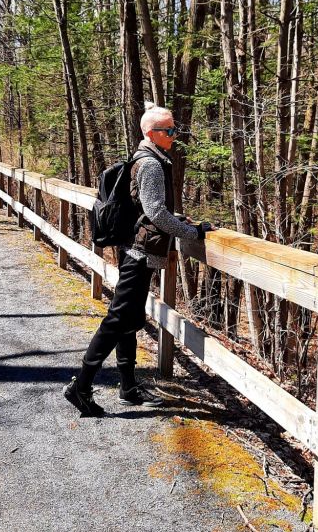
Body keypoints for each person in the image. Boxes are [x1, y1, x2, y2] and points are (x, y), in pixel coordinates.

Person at [64, 104, 212, 416]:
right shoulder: (152, 165)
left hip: (133, 248)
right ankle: (82, 386)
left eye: (175, 129)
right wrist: (191, 231)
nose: (174, 135)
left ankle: (129, 387)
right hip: (140, 253)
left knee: (128, 320)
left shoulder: (145, 158)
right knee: (118, 320)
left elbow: (146, 208)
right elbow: (156, 212)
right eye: (168, 130)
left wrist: (176, 219)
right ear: (151, 133)